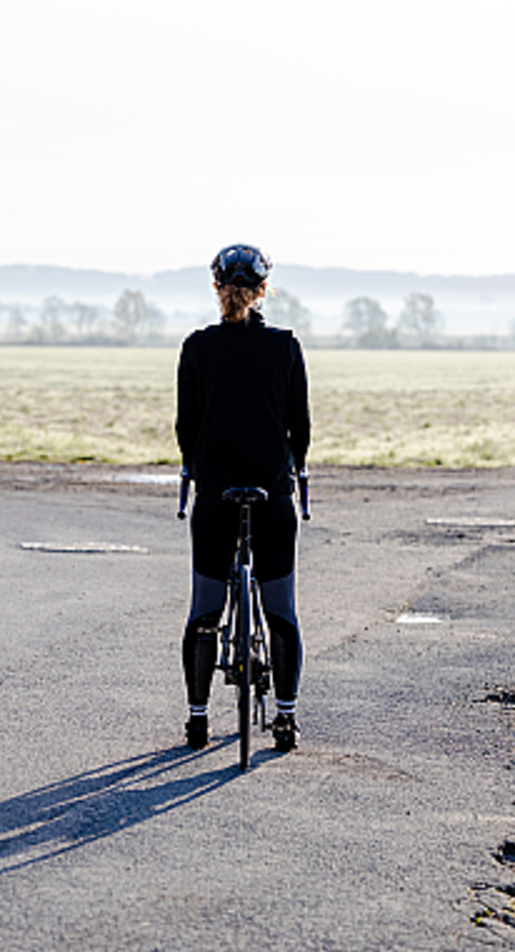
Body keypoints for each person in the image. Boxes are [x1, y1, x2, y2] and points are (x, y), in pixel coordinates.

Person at [176, 244, 311, 753]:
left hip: (214, 495)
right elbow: (300, 426)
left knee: (205, 610)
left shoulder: (196, 347)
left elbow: (186, 427)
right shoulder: (285, 347)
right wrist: (294, 471)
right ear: (263, 291)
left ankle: (197, 718)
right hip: (272, 495)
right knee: (281, 612)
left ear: (217, 289)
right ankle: (286, 719)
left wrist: (198, 469)